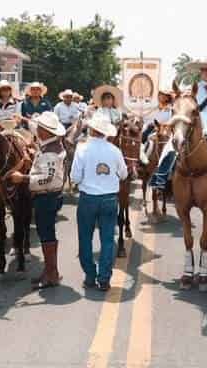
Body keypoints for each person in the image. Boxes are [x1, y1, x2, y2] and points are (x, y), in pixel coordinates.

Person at [150, 56, 207, 198]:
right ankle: (164, 180)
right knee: (170, 146)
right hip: (194, 121)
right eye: (205, 70)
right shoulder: (190, 89)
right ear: (201, 71)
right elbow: (180, 105)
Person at [8, 111, 66, 289]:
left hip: (47, 196)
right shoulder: (51, 144)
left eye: (40, 128)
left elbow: (46, 178)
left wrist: (23, 179)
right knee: (46, 233)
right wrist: (23, 119)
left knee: (46, 234)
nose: (37, 130)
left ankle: (51, 274)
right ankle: (50, 271)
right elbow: (33, 125)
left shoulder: (50, 153)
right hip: (50, 195)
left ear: (46, 131)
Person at [71, 112, 128, 292]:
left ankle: (90, 276)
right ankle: (104, 279)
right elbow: (124, 174)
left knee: (85, 239)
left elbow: (74, 177)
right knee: (108, 240)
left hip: (88, 198)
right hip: (110, 198)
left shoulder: (82, 149)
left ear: (92, 130)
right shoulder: (115, 151)